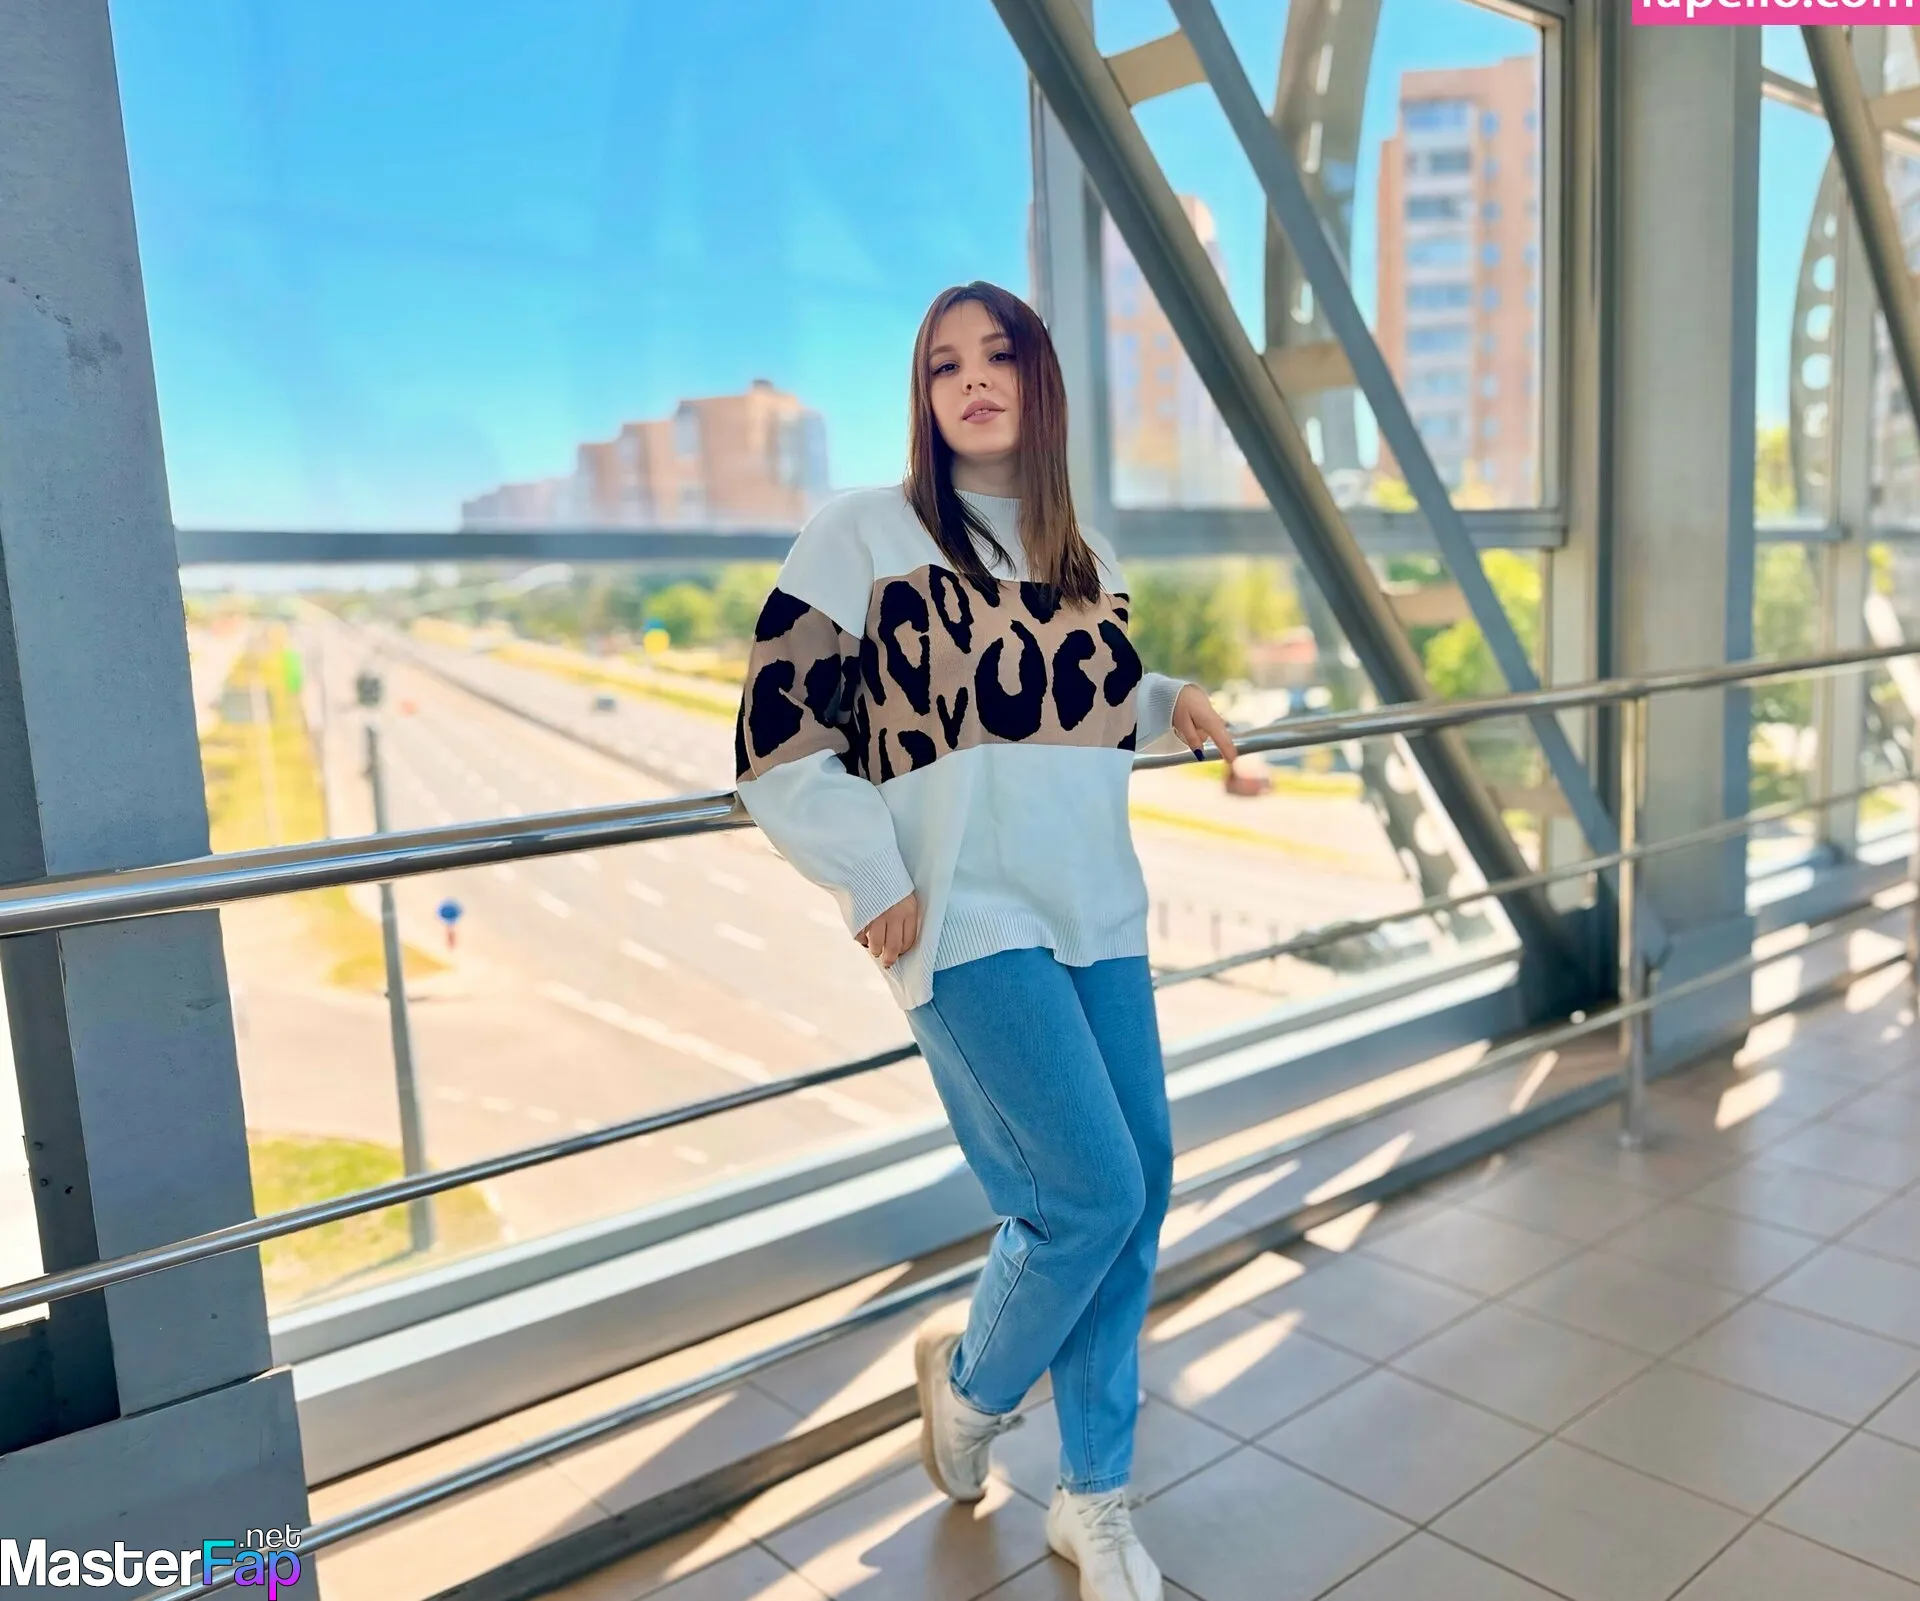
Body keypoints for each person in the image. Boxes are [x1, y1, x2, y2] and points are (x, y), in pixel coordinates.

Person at [732, 281, 1236, 1601]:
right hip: (960, 909)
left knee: (1139, 1193)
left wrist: (1171, 699)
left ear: (1038, 381)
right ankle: (971, 1388)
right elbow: (775, 736)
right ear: (922, 396)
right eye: (943, 363)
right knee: (1089, 1191)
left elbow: (1075, 704)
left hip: (1094, 904)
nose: (971, 380)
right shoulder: (860, 533)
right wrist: (867, 870)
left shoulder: (1086, 557)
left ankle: (1094, 1498)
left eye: (998, 355)